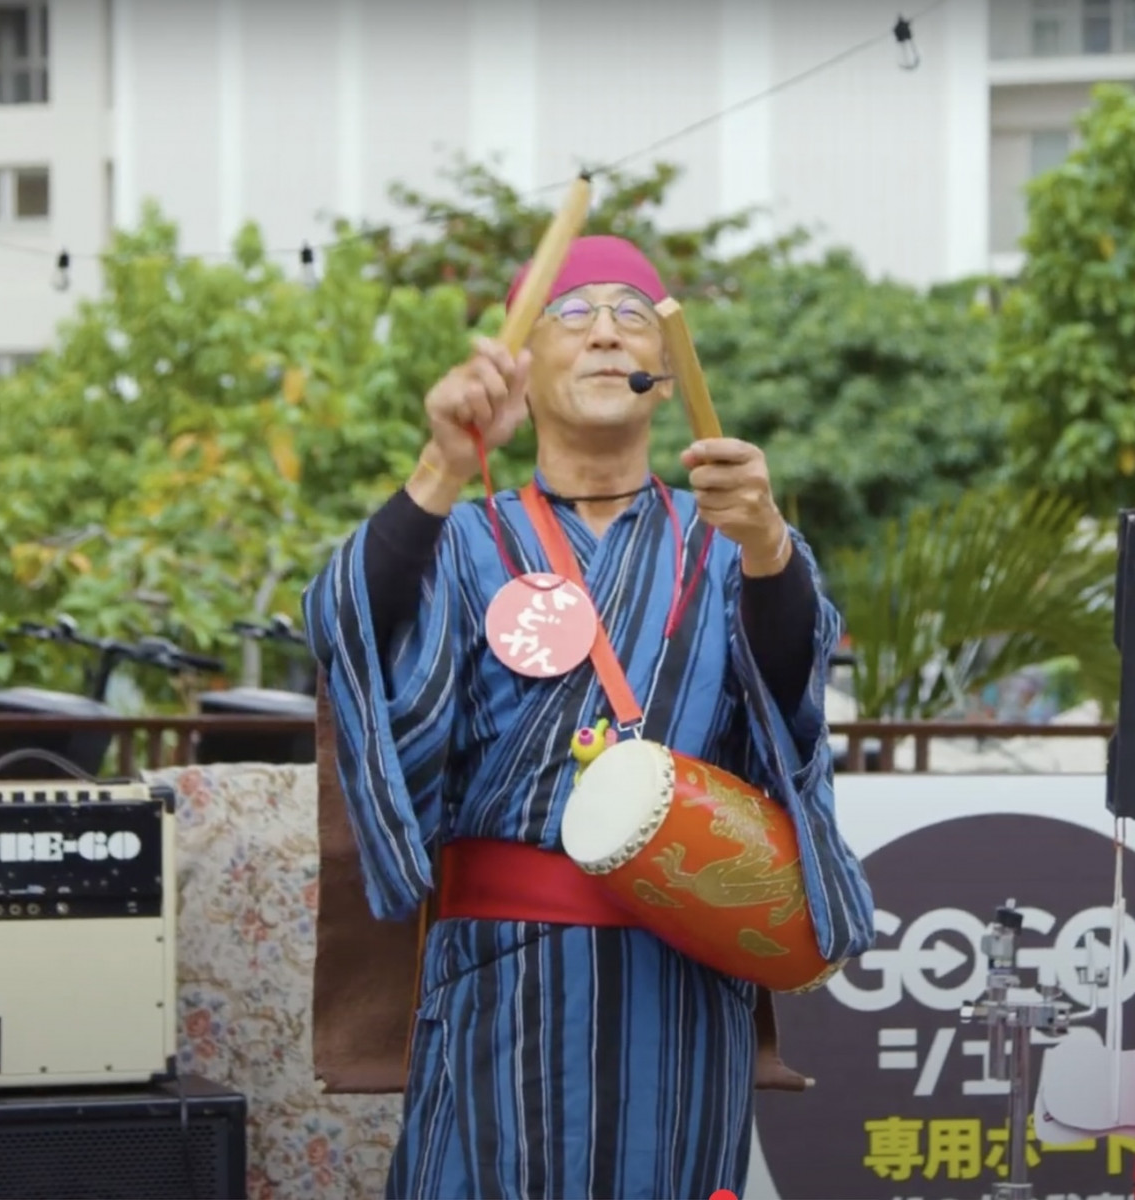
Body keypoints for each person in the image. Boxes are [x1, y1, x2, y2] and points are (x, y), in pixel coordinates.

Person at [304, 235, 874, 1200]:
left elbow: (789, 702)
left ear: (665, 373)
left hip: (680, 983)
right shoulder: (466, 532)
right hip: (497, 985)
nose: (608, 332)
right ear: (521, 365)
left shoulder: (733, 536)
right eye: (574, 312)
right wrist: (441, 468)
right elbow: (343, 623)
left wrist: (772, 546)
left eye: (633, 315)